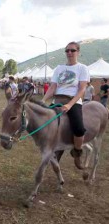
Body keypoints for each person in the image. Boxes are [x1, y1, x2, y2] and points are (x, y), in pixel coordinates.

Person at [42, 41, 90, 169]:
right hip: (57, 100)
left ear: (78, 52)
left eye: (72, 50)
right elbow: (53, 87)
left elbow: (82, 90)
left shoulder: (82, 68)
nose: (69, 52)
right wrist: (43, 100)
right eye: (67, 50)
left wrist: (69, 105)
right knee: (43, 123)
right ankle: (52, 147)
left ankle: (77, 152)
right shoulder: (59, 68)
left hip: (73, 101)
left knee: (79, 128)